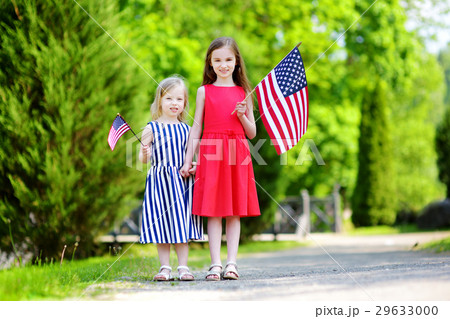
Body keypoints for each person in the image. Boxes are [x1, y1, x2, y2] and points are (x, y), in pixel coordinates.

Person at [180, 37, 260, 281]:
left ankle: (231, 263)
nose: (223, 64)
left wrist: (242, 116)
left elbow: (252, 132)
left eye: (228, 59)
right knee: (213, 211)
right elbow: (196, 128)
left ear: (236, 62)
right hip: (211, 151)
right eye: (217, 60)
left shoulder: (243, 92)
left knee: (233, 211)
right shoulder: (204, 91)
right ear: (210, 63)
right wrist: (188, 159)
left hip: (237, 151)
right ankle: (215, 264)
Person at [139, 76, 203, 281]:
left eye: (179, 99)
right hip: (160, 182)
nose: (174, 103)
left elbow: (191, 156)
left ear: (185, 103)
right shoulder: (151, 128)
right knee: (162, 223)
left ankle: (183, 267)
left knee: (181, 222)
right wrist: (144, 152)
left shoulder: (186, 129)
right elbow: (142, 159)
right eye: (169, 99)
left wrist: (193, 166)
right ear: (160, 101)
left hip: (181, 182)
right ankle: (165, 267)